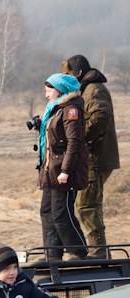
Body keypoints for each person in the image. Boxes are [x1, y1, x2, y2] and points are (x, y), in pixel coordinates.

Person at [63, 55, 121, 259]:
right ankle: (98, 249)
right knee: (87, 202)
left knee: (87, 203)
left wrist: (81, 137)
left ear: (77, 74)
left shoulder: (92, 90)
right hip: (95, 156)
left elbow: (100, 116)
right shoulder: (88, 89)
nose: (68, 79)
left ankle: (98, 250)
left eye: (69, 74)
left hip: (96, 157)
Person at [35, 73, 89, 261]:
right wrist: (41, 127)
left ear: (60, 90)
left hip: (64, 173)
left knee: (61, 213)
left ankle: (78, 252)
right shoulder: (55, 109)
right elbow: (57, 137)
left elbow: (74, 142)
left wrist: (65, 171)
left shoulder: (70, 109)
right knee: (47, 212)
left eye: (49, 91)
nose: (46, 95)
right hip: (51, 171)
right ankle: (53, 255)